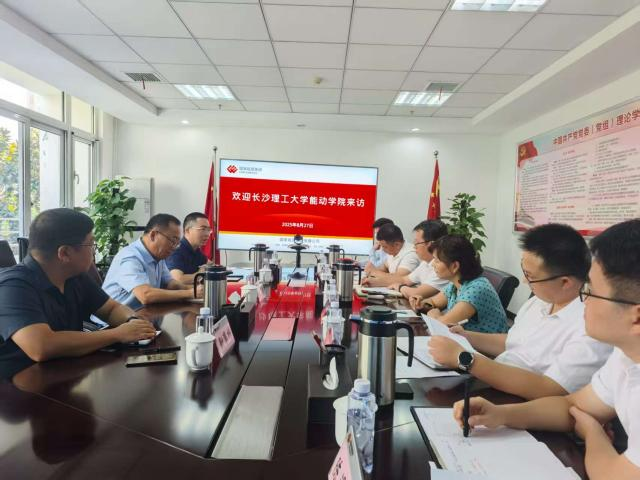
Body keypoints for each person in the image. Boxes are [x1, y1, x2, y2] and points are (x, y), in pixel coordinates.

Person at [453, 220, 640, 480]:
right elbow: (571, 405)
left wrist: (592, 433)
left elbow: (614, 475)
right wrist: (500, 414)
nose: (583, 299)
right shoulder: (625, 357)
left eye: (591, 291)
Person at [428, 224, 611, 399]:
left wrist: (465, 359)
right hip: (495, 379)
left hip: (522, 400)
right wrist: (466, 336)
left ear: (565, 282)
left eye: (530, 276)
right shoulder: (539, 302)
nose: (524, 281)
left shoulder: (590, 326)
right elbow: (513, 342)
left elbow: (552, 389)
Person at [0, 209, 156, 379]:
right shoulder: (13, 287)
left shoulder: (75, 276)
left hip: (64, 375)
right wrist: (118, 334)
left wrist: (132, 322)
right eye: (91, 245)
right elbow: (41, 346)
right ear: (65, 253)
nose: (94, 252)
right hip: (20, 386)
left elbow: (111, 309)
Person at [410, 235, 507, 333]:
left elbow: (443, 325)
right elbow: (434, 302)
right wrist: (421, 304)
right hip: (463, 339)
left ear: (455, 266)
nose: (433, 265)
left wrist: (433, 313)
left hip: (481, 343)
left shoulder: (477, 289)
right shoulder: (456, 284)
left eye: (437, 261)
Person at [102, 214, 201, 309]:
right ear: (153, 235)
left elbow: (170, 284)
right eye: (173, 241)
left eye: (177, 243)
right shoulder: (130, 257)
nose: (175, 247)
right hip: (114, 319)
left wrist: (196, 289)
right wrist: (190, 293)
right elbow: (145, 295)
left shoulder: (158, 255)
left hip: (139, 314)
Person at [388, 220, 449, 299]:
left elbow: (416, 293)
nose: (414, 247)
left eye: (417, 243)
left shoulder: (443, 267)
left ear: (430, 244)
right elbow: (405, 280)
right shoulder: (425, 263)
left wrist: (399, 287)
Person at [166, 212, 211, 284]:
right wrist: (199, 274)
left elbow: (210, 264)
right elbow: (177, 279)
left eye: (208, 230)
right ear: (187, 230)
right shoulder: (177, 250)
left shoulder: (196, 250)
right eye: (203, 229)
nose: (207, 234)